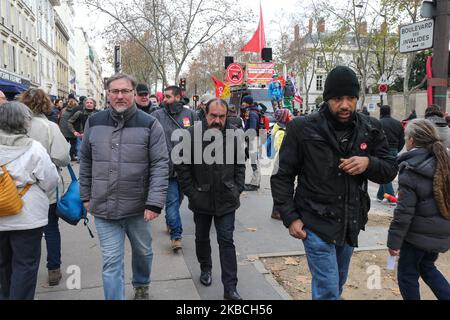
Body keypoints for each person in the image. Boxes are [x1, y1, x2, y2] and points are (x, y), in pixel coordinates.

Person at [271, 66, 398, 300]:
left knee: (335, 285)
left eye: (350, 98)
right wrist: (290, 217)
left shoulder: (370, 128)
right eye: (338, 98)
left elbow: (390, 169)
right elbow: (282, 176)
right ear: (328, 98)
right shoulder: (302, 128)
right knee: (328, 290)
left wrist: (368, 163)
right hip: (314, 223)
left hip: (349, 222)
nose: (345, 105)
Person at [79, 73, 169, 300]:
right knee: (111, 262)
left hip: (139, 208)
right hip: (103, 207)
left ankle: (141, 283)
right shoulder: (94, 121)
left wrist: (154, 202)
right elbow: (86, 160)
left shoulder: (150, 124)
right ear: (108, 94)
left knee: (143, 252)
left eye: (125, 91)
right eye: (115, 91)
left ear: (133, 94)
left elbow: (160, 164)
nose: (120, 96)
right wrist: (85, 195)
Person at [176, 99, 245, 300]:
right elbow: (182, 168)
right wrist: (192, 192)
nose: (217, 120)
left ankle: (230, 287)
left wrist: (237, 189)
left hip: (227, 199)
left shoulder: (234, 136)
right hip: (201, 200)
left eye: (221, 116)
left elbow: (240, 164)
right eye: (213, 115)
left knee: (226, 241)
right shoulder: (191, 135)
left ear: (227, 116)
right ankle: (205, 268)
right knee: (202, 237)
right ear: (205, 114)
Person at [0, 102, 59, 300]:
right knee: (25, 265)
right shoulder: (34, 148)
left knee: (2, 266)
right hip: (28, 217)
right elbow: (50, 181)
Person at [387, 119, 450, 300]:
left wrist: (393, 242)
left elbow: (403, 213)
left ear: (412, 140)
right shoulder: (443, 159)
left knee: (407, 275)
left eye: (406, 137)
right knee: (427, 267)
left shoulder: (412, 168)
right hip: (441, 229)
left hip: (417, 235)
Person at [19, 89, 71, 286]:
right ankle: (53, 269)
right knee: (50, 228)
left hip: (16, 187)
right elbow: (62, 157)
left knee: (23, 231)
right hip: (45, 186)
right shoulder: (50, 127)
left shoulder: (13, 126)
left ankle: (22, 271)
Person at [149, 85, 197, 252]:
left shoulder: (190, 115)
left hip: (186, 169)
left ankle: (171, 222)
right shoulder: (156, 115)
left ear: (178, 97)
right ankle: (176, 236)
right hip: (166, 168)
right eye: (164, 97)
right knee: (172, 201)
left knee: (178, 200)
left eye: (168, 97)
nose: (165, 100)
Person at [377, 105, 405, 202]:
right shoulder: (398, 123)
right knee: (385, 170)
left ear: (381, 112)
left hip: (383, 149)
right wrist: (397, 149)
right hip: (394, 149)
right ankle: (381, 194)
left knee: (385, 171)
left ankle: (390, 196)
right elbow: (402, 139)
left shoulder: (379, 123)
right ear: (390, 112)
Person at [270, 109, 293, 220]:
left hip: (282, 161)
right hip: (281, 162)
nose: (291, 116)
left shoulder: (282, 129)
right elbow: (281, 149)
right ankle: (276, 211)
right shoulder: (281, 132)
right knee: (281, 189)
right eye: (289, 115)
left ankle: (278, 211)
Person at [241, 95, 261, 191]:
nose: (242, 104)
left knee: (254, 162)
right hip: (252, 140)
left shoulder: (252, 114)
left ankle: (255, 184)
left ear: (248, 102)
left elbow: (252, 129)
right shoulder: (252, 111)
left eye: (243, 102)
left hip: (252, 140)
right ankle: (255, 182)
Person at [59, 95, 79, 161]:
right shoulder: (76, 111)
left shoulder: (63, 110)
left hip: (63, 130)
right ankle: (71, 156)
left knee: (65, 144)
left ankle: (64, 157)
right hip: (72, 130)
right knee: (73, 144)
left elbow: (60, 119)